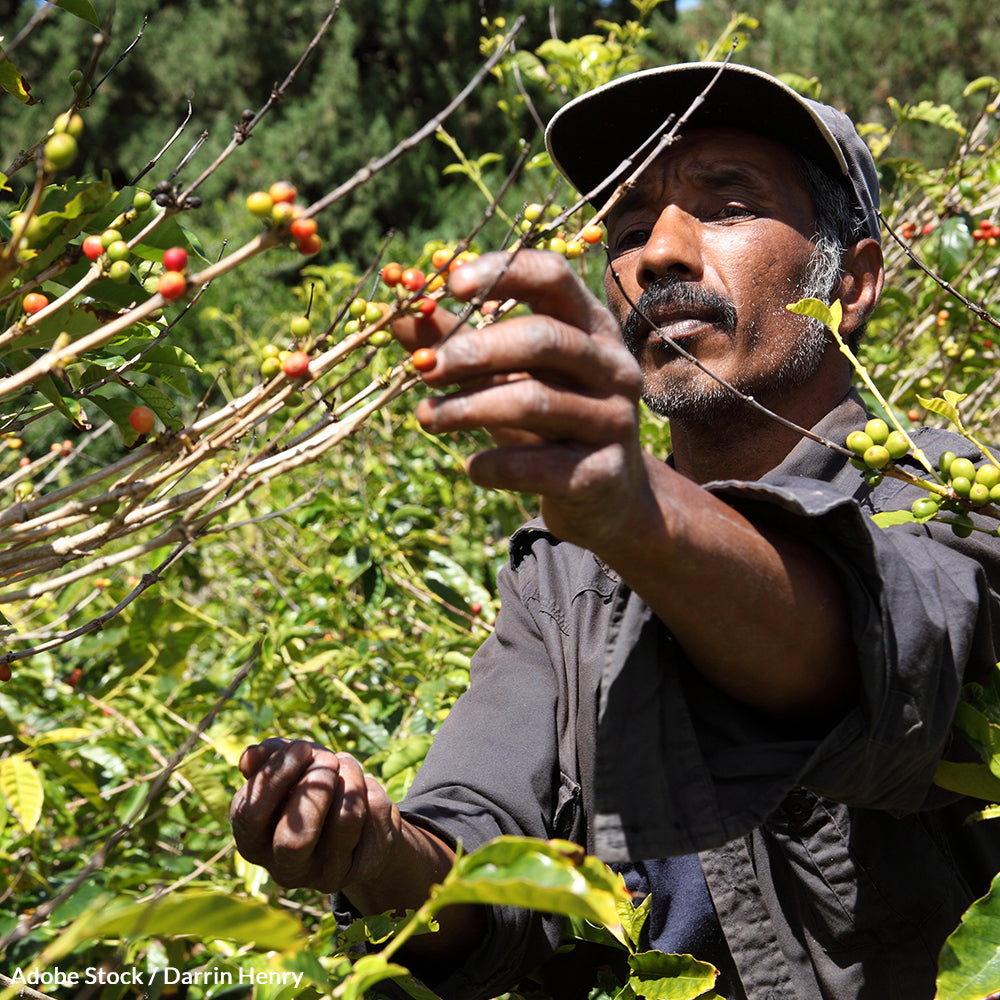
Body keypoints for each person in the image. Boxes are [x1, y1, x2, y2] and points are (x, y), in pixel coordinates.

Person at [230, 62, 1000, 1000]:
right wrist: (373, 848)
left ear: (853, 284)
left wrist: (636, 508)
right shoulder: (562, 580)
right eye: (628, 228)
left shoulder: (949, 498)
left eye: (726, 205)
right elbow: (483, 857)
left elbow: (876, 657)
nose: (659, 253)